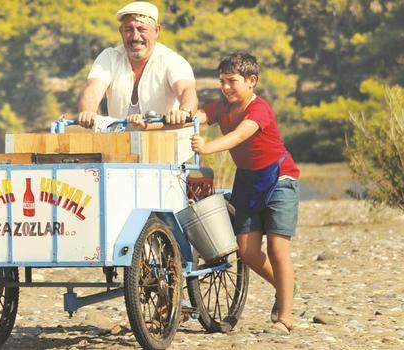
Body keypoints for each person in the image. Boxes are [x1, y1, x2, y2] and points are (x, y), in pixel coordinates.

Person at [191, 52, 300, 335]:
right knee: (248, 252)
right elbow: (197, 117)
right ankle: (285, 285)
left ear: (252, 81)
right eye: (222, 82)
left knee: (278, 250)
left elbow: (239, 136)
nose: (226, 87)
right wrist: (172, 120)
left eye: (232, 81)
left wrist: (206, 147)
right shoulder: (221, 107)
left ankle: (284, 317)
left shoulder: (259, 109)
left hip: (280, 180)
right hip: (248, 182)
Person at [77, 1, 198, 137]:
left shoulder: (172, 60)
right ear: (121, 32)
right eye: (129, 29)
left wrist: (184, 111)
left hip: (166, 148)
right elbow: (92, 89)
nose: (135, 37)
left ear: (157, 31)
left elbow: (186, 90)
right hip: (120, 148)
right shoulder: (109, 57)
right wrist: (87, 111)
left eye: (142, 29)